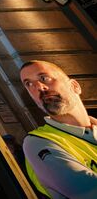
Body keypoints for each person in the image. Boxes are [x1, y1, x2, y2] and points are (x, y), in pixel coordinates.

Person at [19, 60, 97, 198]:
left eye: (44, 78)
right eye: (29, 84)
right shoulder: (38, 142)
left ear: (74, 86)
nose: (38, 87)